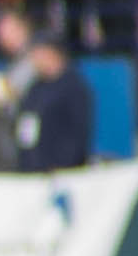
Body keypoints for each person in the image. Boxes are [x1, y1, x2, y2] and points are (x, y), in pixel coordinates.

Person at [10, 33, 99, 171]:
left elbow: (77, 132)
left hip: (60, 171)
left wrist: (63, 164)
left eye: (37, 53)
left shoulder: (73, 87)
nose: (33, 60)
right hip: (30, 168)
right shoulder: (35, 88)